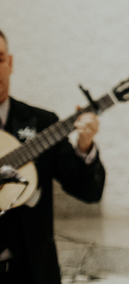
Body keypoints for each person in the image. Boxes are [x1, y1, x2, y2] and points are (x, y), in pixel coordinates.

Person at [0, 29, 105, 284]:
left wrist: (84, 146)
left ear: (10, 63)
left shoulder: (42, 123)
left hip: (32, 273)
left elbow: (89, 191)